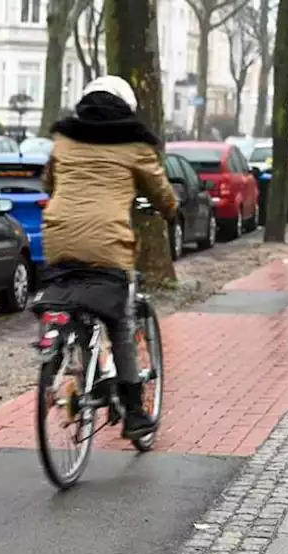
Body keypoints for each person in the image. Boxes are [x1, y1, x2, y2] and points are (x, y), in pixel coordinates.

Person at [38, 75, 179, 440]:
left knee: (76, 300)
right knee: (120, 319)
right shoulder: (135, 145)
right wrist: (171, 209)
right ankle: (134, 413)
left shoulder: (64, 140)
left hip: (58, 236)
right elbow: (163, 194)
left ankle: (87, 371)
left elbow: (48, 183)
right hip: (108, 243)